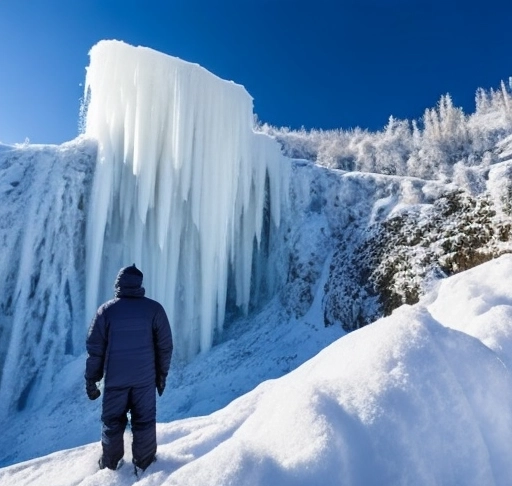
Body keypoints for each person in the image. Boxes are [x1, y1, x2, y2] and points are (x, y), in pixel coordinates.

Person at [85, 264, 173, 476]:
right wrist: (161, 376)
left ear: (118, 285)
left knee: (112, 422)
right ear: (139, 285)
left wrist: (92, 380)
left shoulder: (106, 311)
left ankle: (110, 468)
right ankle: (145, 466)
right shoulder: (154, 309)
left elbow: (95, 350)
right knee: (144, 422)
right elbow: (165, 346)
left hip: (115, 381)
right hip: (144, 380)